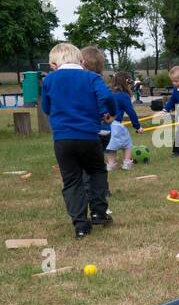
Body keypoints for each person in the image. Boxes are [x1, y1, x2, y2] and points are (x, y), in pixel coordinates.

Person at [39, 43, 114, 237]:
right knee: (96, 171)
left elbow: (46, 107)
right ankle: (98, 212)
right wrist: (108, 112)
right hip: (89, 137)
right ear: (81, 62)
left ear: (53, 65)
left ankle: (81, 225)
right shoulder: (92, 77)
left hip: (63, 140)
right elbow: (106, 96)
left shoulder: (50, 80)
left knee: (72, 180)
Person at [106, 72, 141, 171]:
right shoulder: (123, 95)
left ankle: (111, 164)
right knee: (127, 144)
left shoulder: (108, 92)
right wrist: (138, 126)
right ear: (126, 82)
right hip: (116, 124)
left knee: (110, 145)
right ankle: (127, 163)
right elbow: (131, 112)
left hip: (105, 124)